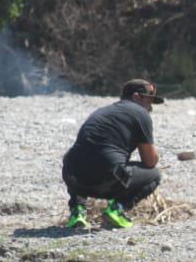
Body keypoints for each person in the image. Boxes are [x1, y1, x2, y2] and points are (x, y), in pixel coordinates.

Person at [61, 79, 164, 229]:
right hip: (105, 180)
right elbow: (150, 162)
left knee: (78, 158)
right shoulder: (140, 113)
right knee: (154, 174)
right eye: (149, 101)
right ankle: (116, 209)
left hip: (74, 178)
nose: (150, 107)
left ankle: (77, 212)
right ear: (136, 97)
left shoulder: (103, 111)